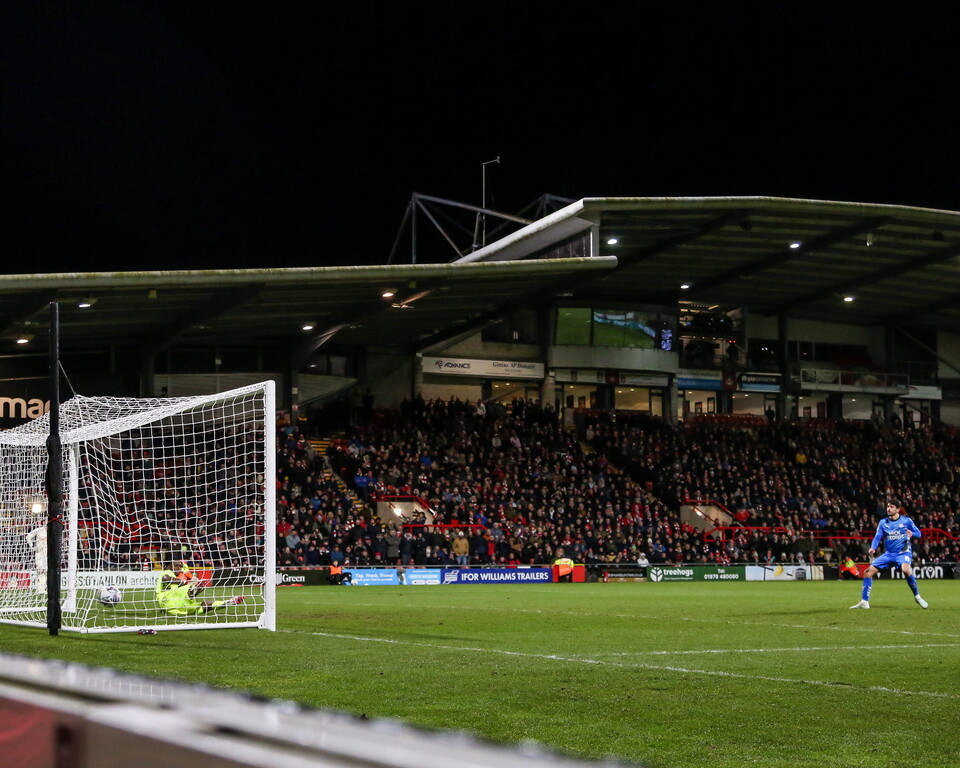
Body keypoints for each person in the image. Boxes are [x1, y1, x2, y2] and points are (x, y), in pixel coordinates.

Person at [850, 499, 928, 609]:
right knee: (868, 572)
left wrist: (912, 534)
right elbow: (877, 537)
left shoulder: (906, 521)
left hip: (903, 553)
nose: (888, 509)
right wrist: (873, 547)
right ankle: (864, 601)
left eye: (891, 507)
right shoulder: (883, 522)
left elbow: (919, 534)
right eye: (888, 506)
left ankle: (917, 596)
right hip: (889, 554)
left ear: (898, 509)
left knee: (906, 570)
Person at [156, 565, 243, 616]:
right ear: (170, 565)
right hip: (168, 599)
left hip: (176, 609)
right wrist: (184, 581)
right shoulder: (167, 572)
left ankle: (227, 602)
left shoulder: (175, 577)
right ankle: (193, 591)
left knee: (203, 606)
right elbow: (165, 578)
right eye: (178, 566)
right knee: (190, 586)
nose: (180, 569)